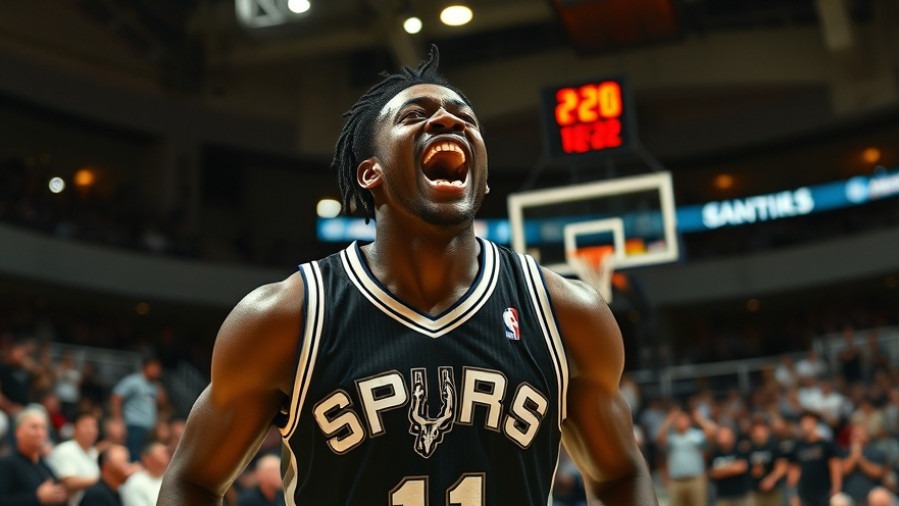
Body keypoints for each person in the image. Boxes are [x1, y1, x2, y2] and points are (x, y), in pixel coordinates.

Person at [158, 46, 656, 505]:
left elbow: (620, 475)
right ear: (370, 172)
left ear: (480, 177)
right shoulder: (286, 316)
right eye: (416, 115)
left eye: (465, 117)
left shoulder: (567, 312)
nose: (447, 119)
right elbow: (194, 480)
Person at [0, 405, 69, 505]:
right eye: (34, 427)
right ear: (18, 432)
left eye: (43, 428)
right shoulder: (6, 465)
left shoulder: (45, 466)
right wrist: (36, 497)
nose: (39, 432)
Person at [110, 356, 167, 461]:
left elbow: (163, 406)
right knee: (133, 455)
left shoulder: (155, 386)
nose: (157, 371)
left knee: (145, 456)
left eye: (158, 368)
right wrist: (118, 420)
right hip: (134, 425)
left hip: (149, 428)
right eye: (154, 367)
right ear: (145, 367)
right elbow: (116, 397)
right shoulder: (133, 381)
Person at [656, 407, 711, 506]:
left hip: (696, 479)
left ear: (689, 421)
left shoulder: (697, 435)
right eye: (678, 420)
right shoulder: (672, 438)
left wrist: (700, 420)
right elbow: (659, 438)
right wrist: (669, 419)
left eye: (684, 420)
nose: (681, 422)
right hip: (676, 481)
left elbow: (712, 434)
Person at [47, 411, 100, 506]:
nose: (91, 430)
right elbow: (69, 482)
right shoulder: (65, 450)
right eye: (86, 426)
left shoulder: (94, 452)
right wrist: (102, 480)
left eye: (94, 426)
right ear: (74, 429)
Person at [790, 411, 841, 506]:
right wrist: (793, 492)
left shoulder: (825, 444)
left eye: (808, 422)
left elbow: (835, 465)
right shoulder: (798, 446)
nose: (805, 425)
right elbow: (795, 469)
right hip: (804, 491)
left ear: (815, 423)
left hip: (823, 490)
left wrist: (836, 487)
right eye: (803, 422)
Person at [747, 417, 789, 506]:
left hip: (773, 490)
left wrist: (771, 479)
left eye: (761, 430)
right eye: (755, 431)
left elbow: (782, 466)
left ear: (767, 431)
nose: (758, 434)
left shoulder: (774, 447)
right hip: (755, 490)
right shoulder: (749, 448)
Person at [840, 425, 886, 504]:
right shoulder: (844, 452)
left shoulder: (875, 451)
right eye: (854, 435)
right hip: (848, 494)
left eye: (860, 435)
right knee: (838, 501)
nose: (857, 438)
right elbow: (843, 471)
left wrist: (860, 459)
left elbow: (877, 473)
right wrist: (854, 456)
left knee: (880, 496)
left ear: (867, 436)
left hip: (872, 492)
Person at [708, 425, 751, 506]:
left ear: (732, 436)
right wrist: (732, 467)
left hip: (741, 495)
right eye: (720, 434)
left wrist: (722, 469)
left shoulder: (740, 449)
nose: (722, 437)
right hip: (723, 497)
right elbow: (712, 473)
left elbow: (742, 467)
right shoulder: (715, 453)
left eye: (724, 434)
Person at [120, 442, 170, 506]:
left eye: (167, 454)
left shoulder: (170, 479)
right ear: (147, 458)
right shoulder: (135, 481)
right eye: (162, 453)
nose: (167, 457)